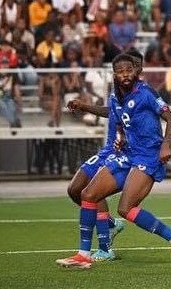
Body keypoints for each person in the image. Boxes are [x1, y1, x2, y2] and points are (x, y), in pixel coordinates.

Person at [56, 53, 171, 269]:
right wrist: (86, 107)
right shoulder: (117, 97)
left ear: (136, 71)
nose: (125, 74)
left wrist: (166, 144)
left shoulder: (145, 92)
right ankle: (83, 255)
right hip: (127, 154)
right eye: (120, 71)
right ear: (115, 75)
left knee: (125, 209)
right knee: (88, 194)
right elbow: (114, 113)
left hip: (149, 155)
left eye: (128, 70)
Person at [65, 98, 127, 260]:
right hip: (107, 149)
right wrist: (84, 106)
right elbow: (111, 111)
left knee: (94, 192)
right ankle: (111, 224)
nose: (122, 74)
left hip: (122, 152)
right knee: (74, 189)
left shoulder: (138, 93)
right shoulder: (116, 93)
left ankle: (104, 248)